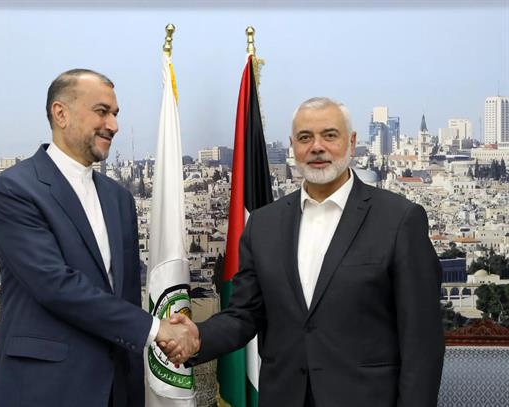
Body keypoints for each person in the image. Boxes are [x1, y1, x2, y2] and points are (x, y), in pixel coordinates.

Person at [171, 97, 444, 406]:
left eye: (329, 135)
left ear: (352, 142)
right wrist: (197, 337)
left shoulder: (399, 220)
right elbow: (244, 314)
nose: (317, 147)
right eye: (305, 137)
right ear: (292, 146)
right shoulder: (263, 224)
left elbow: (422, 342)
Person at [0, 69, 198, 407]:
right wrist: (158, 330)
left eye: (115, 114)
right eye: (102, 111)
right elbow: (55, 285)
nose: (113, 125)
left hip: (116, 390)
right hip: (44, 390)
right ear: (61, 113)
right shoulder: (14, 189)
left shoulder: (119, 198)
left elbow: (125, 294)